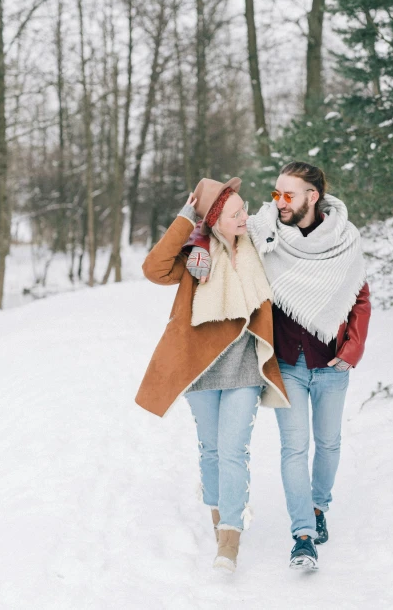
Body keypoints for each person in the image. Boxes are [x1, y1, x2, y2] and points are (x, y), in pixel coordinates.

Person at [186, 162, 371, 571]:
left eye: (289, 195)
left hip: (332, 361)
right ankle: (303, 535)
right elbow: (218, 225)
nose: (280, 202)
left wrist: (352, 350)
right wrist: (198, 240)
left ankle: (318, 506)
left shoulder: (344, 239)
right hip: (287, 360)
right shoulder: (264, 230)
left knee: (329, 444)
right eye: (276, 193)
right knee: (294, 448)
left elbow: (359, 297)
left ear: (312, 196)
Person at [135, 177, 289, 573]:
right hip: (199, 366)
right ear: (216, 218)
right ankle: (220, 513)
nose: (244, 216)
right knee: (212, 449)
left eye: (244, 209)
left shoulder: (258, 245)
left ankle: (230, 538)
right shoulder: (195, 255)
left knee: (234, 449)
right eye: (235, 212)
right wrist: (187, 219)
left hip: (244, 366)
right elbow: (153, 268)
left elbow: (281, 222)